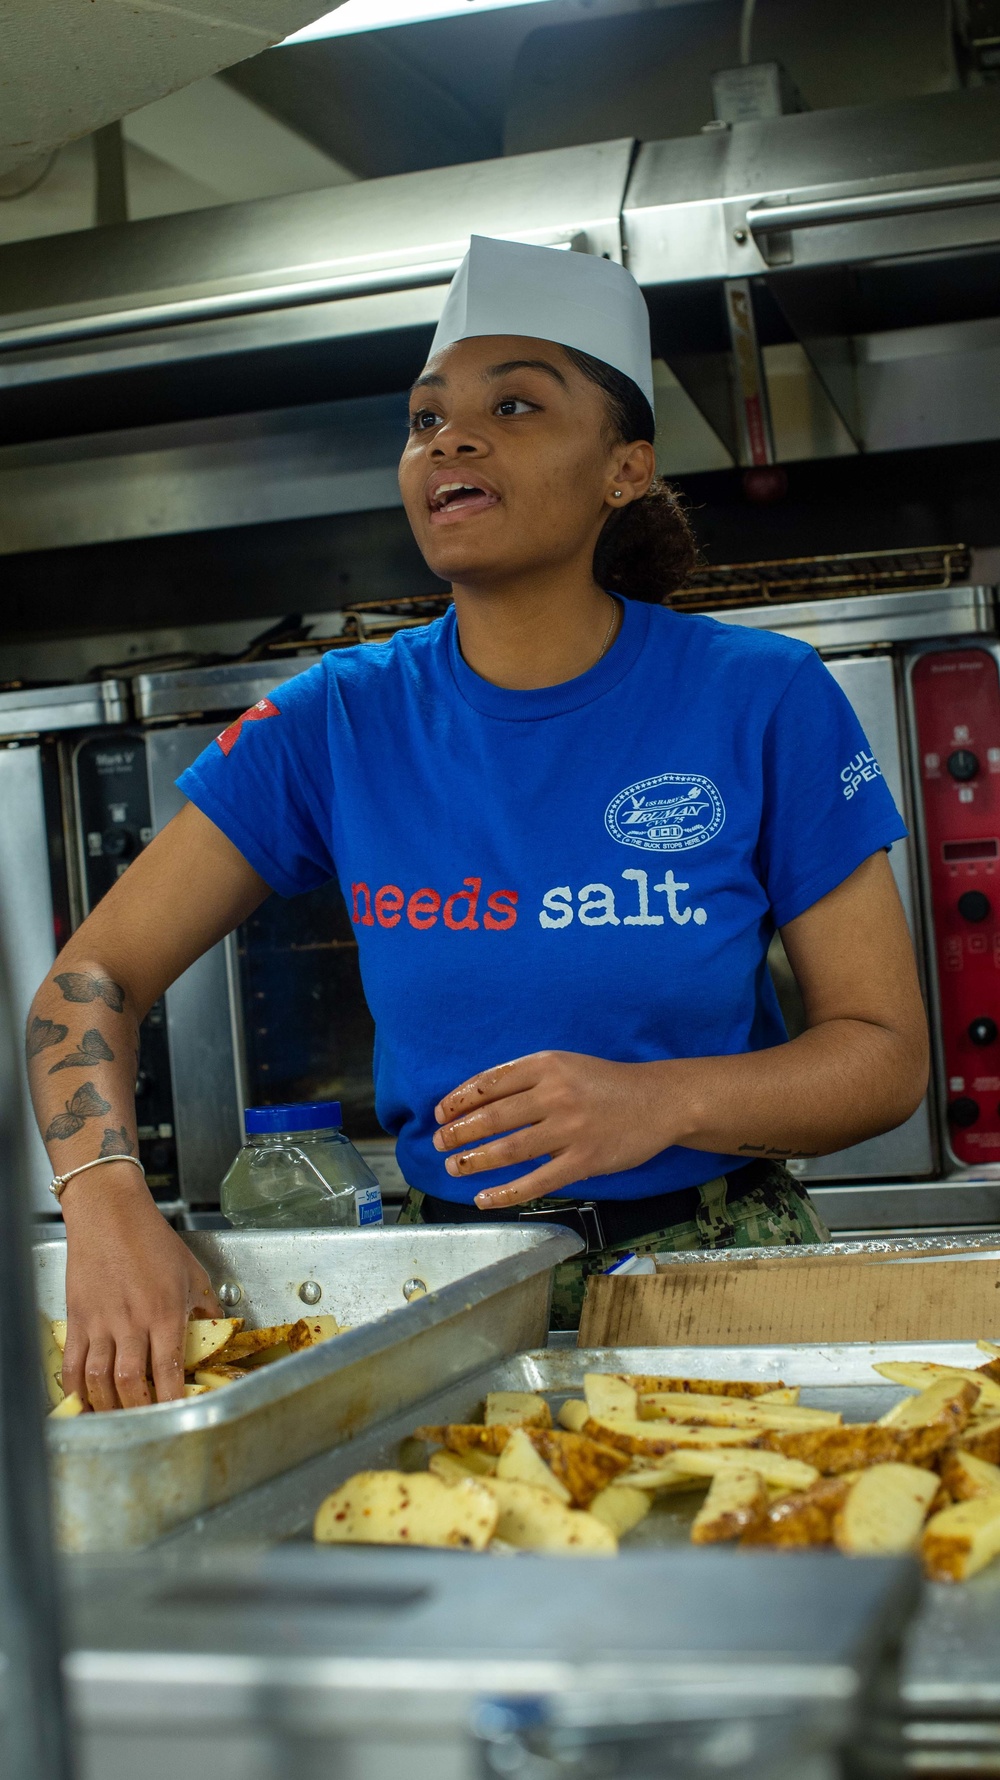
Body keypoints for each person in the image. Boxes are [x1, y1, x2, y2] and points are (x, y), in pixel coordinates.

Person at [27, 235, 928, 1408]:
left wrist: (658, 1101)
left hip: (724, 1282)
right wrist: (103, 1201)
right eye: (424, 419)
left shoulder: (761, 698)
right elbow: (89, 973)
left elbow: (883, 1053)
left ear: (624, 468)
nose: (449, 439)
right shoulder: (332, 722)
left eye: (514, 404)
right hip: (458, 1291)